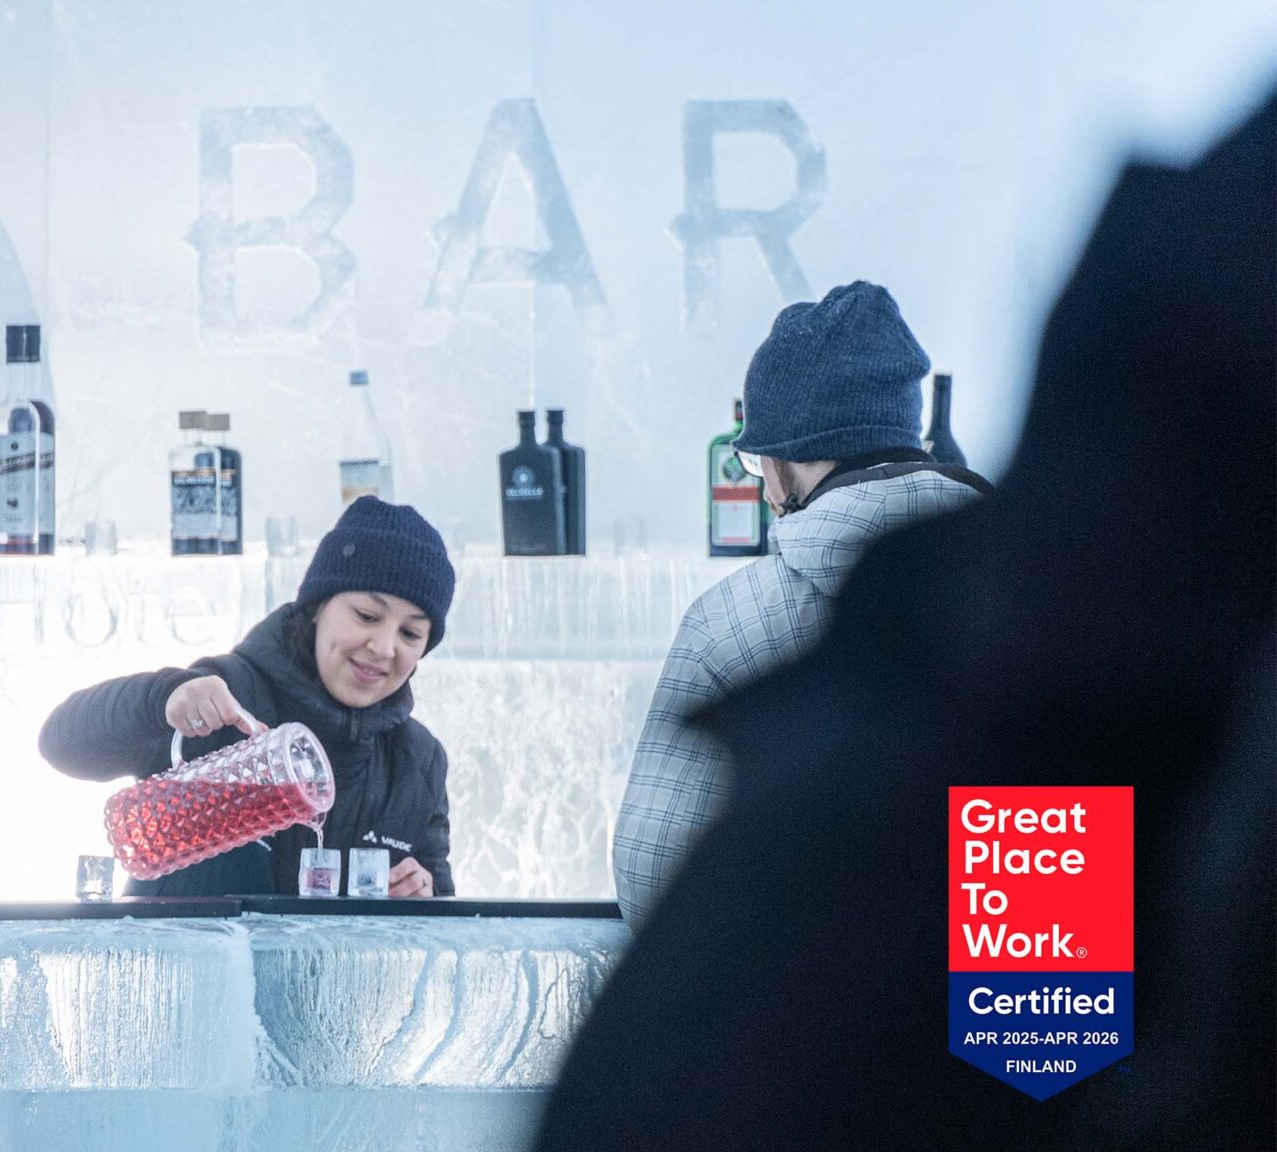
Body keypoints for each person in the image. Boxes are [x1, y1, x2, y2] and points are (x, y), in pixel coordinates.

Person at [538, 92, 1274, 1149]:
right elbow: (1046, 1025)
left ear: (787, 453)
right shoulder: (1061, 624)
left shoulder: (746, 618)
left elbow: (649, 865)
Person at [614, 281, 991, 928]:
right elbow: (1063, 911)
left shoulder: (728, 624)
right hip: (999, 1016)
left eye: (761, 466)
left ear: (792, 458)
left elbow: (652, 874)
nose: (762, 491)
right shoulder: (1035, 608)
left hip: (794, 1017)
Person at [40, 496, 457, 898]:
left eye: (410, 633)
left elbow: (442, 934)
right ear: (316, 608)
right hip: (186, 967)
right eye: (367, 616)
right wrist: (162, 699)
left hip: (335, 974)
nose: (384, 648)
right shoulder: (225, 700)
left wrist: (424, 895)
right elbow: (61, 744)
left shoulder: (418, 762)